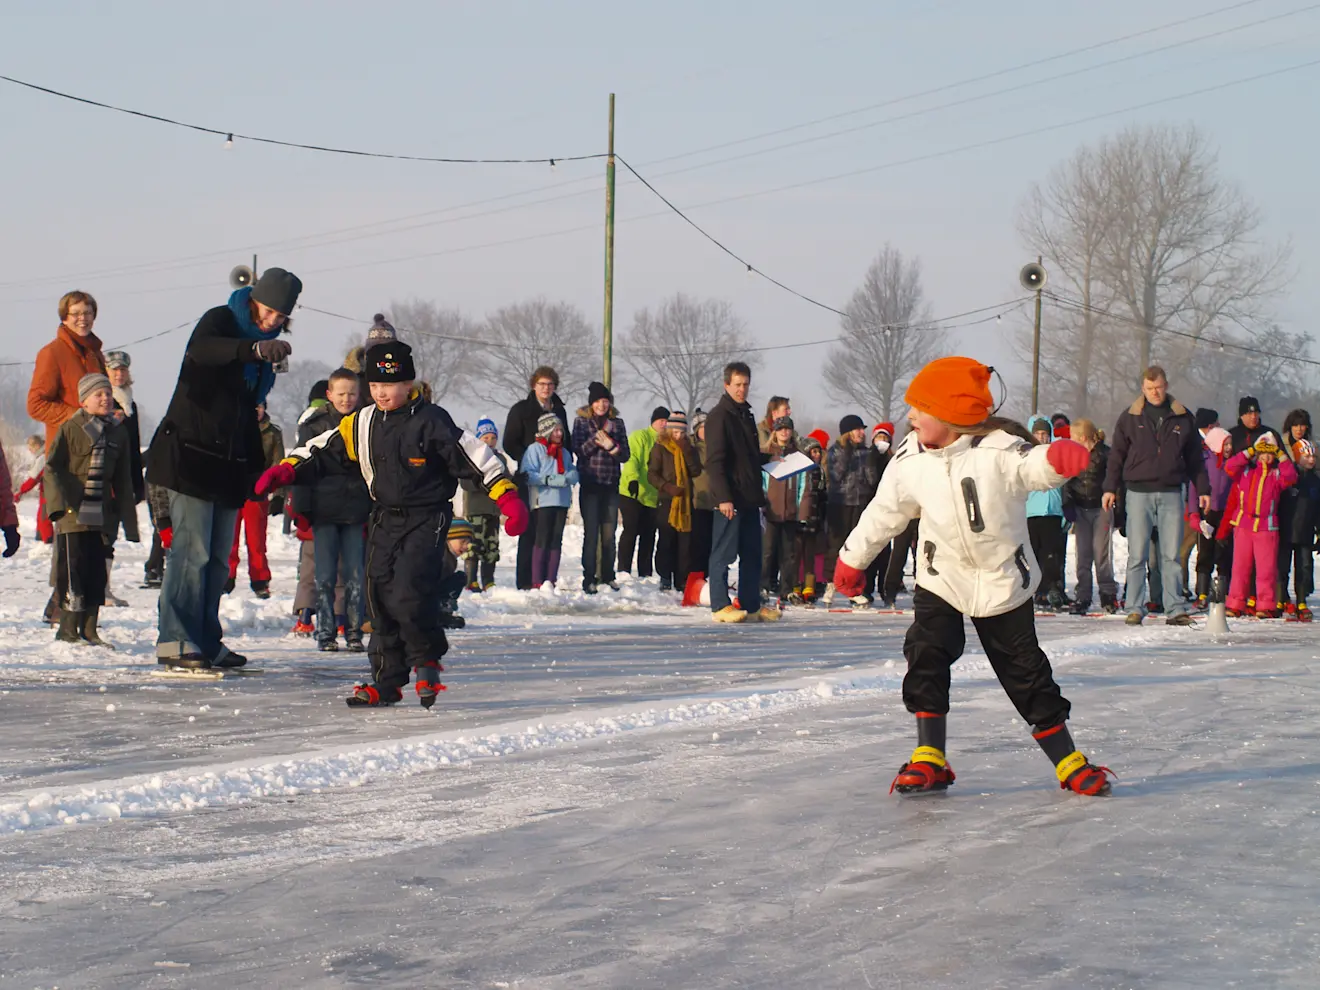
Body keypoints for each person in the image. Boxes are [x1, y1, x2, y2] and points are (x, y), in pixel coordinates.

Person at [831, 356, 1112, 797]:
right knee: (926, 649)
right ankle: (930, 756)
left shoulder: (998, 450)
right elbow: (884, 512)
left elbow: (1032, 465)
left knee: (1024, 670)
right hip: (941, 573)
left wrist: (1058, 458)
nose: (910, 416)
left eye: (920, 408)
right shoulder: (909, 459)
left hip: (1001, 578)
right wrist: (853, 559)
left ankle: (1068, 760)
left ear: (951, 414)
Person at [257, 341, 528, 707]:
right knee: (379, 598)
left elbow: (475, 457)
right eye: (374, 386)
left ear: (408, 383)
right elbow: (324, 447)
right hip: (384, 516)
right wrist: (287, 469)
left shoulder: (431, 420)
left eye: (390, 384)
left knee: (406, 591)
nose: (381, 393)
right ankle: (385, 682)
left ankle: (426, 660)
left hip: (427, 517)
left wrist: (506, 496)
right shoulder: (363, 422)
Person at [145, 267, 301, 669]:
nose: (271, 321)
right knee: (191, 551)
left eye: (280, 317)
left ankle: (206, 640)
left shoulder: (268, 349)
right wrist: (252, 351)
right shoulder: (220, 319)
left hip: (230, 463)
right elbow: (204, 352)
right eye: (267, 311)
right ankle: (176, 641)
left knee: (217, 559)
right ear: (254, 300)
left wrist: (255, 469)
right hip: (191, 454)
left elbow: (248, 411)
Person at [1102, 366, 1210, 626]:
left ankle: (1174, 607)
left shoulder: (1183, 417)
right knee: (1137, 554)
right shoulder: (1130, 417)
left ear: (1166, 385)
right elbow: (1116, 455)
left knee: (1171, 555)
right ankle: (1135, 607)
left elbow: (1196, 458)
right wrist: (1109, 487)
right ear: (1143, 388)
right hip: (1138, 493)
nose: (1155, 392)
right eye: (1150, 388)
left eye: (1159, 387)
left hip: (1172, 492)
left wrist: (1203, 489)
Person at [43, 373, 140, 646]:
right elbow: (52, 468)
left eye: (108, 393)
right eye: (98, 394)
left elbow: (123, 480)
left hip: (102, 514)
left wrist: (128, 523)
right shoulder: (71, 428)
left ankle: (90, 629)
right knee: (74, 572)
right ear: (83, 400)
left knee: (97, 572)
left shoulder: (118, 432)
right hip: (74, 513)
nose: (105, 398)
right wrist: (59, 508)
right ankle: (68, 629)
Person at [293, 370, 371, 651]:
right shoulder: (315, 426)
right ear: (329, 395)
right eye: (341, 394)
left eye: (352, 393)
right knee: (324, 576)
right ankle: (325, 632)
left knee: (355, 575)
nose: (347, 399)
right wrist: (300, 507)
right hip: (323, 509)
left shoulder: (367, 423)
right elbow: (300, 466)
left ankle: (353, 631)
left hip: (356, 509)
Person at [705, 362, 776, 623]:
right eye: (737, 385)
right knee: (722, 554)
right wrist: (723, 497)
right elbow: (715, 461)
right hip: (729, 499)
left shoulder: (745, 415)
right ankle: (720, 605)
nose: (742, 389)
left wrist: (769, 458)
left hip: (749, 497)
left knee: (752, 554)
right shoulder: (719, 416)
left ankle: (751, 604)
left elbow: (747, 457)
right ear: (727, 385)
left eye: (746, 384)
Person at [503, 368, 568, 589]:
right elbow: (509, 443)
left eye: (550, 384)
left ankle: (546, 580)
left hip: (556, 481)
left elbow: (566, 441)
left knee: (551, 534)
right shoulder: (521, 410)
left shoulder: (560, 410)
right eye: (541, 384)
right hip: (529, 477)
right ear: (533, 385)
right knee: (530, 530)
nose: (546, 388)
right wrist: (530, 459)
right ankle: (525, 581)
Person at [1223, 432, 1297, 618]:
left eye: (1269, 453)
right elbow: (1230, 466)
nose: (1266, 457)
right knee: (1240, 568)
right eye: (1262, 453)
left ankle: (1265, 605)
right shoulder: (1246, 472)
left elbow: (1291, 477)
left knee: (1266, 569)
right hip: (1244, 525)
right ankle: (1235, 603)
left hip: (1267, 527)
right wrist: (1250, 450)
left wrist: (1280, 454)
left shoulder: (1276, 475)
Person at [28, 291, 107, 453]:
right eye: (75, 314)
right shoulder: (52, 353)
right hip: (67, 451)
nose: (83, 318)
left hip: (98, 448)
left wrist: (110, 415)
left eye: (87, 313)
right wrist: (79, 417)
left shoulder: (95, 353)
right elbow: (35, 405)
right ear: (64, 317)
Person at [570, 381, 629, 594]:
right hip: (590, 484)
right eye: (598, 401)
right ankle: (589, 577)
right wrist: (597, 440)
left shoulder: (618, 423)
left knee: (609, 534)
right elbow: (578, 450)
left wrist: (612, 446)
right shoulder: (581, 422)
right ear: (591, 404)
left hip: (611, 484)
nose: (602, 405)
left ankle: (608, 575)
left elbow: (625, 454)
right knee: (591, 533)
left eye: (605, 401)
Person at [225, 401, 285, 599]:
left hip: (258, 491)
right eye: (252, 407)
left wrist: (278, 495)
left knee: (256, 540)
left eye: (259, 407)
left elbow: (279, 464)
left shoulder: (272, 433)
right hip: (233, 490)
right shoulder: (233, 427)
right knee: (229, 538)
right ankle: (226, 576)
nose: (256, 411)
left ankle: (260, 579)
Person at [821, 414, 880, 606]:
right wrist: (847, 455)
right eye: (858, 429)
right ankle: (830, 584)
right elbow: (836, 475)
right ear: (847, 433)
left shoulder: (866, 452)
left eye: (863, 429)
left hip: (860, 503)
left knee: (858, 546)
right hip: (840, 503)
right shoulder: (835, 451)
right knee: (836, 544)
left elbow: (872, 480)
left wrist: (872, 461)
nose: (862, 433)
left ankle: (856, 588)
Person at [1062, 418, 1117, 615]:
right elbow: (1066, 480)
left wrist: (1116, 505)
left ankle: (1108, 594)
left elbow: (1114, 478)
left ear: (1082, 437)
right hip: (1080, 508)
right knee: (1083, 553)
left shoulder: (1105, 454)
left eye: (1073, 437)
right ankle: (1083, 595)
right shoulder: (1073, 455)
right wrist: (1067, 504)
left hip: (1101, 508)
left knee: (1101, 552)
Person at [521, 412, 579, 589]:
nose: (559, 434)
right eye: (555, 430)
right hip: (543, 501)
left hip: (561, 501)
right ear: (546, 431)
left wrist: (570, 476)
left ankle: (551, 578)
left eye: (560, 430)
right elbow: (527, 474)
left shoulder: (565, 453)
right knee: (542, 538)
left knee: (556, 539)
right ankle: (537, 579)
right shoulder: (535, 450)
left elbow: (573, 471)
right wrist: (548, 479)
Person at [760, 416, 813, 605]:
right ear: (775, 431)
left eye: (787, 429)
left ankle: (787, 589)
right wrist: (762, 505)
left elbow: (804, 487)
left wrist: (802, 512)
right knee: (767, 551)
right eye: (781, 429)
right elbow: (762, 484)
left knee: (789, 553)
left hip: (790, 512)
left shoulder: (798, 457)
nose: (784, 432)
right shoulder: (766, 454)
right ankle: (763, 586)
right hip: (770, 513)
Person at [647, 410, 702, 592]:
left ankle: (682, 579)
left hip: (685, 501)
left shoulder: (689, 448)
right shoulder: (660, 447)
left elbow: (695, 471)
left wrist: (687, 451)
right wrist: (667, 486)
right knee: (666, 539)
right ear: (669, 431)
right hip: (667, 499)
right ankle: (665, 576)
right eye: (675, 432)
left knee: (685, 542)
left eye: (681, 432)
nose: (678, 436)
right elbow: (652, 474)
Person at [460, 419, 512, 591]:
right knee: (474, 545)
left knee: (492, 546)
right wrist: (485, 484)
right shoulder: (471, 457)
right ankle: (471, 579)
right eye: (485, 438)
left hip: (494, 510)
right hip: (476, 509)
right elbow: (465, 483)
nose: (489, 441)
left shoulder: (500, 459)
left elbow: (505, 479)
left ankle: (488, 580)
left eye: (492, 438)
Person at [1188, 426, 1234, 609]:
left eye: (1231, 444)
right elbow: (1193, 488)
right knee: (1205, 553)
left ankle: (1224, 592)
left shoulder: (1232, 464)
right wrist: (1193, 513)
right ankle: (1202, 592)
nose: (1229, 448)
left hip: (1226, 514)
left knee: (1224, 554)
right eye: (1226, 444)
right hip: (1206, 512)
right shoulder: (1204, 461)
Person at [618, 407, 667, 578]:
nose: (664, 423)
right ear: (653, 421)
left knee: (649, 534)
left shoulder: (666, 442)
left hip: (653, 496)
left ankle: (645, 573)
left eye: (666, 421)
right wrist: (632, 479)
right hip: (632, 492)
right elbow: (633, 459)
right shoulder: (640, 437)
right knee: (631, 529)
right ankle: (623, 570)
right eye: (661, 420)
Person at [1026, 417, 1068, 610]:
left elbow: (1066, 481)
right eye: (1038, 434)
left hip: (1053, 511)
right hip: (1030, 512)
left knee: (1052, 554)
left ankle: (1053, 589)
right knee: (1033, 554)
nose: (1041, 437)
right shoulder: (1025, 454)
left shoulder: (1056, 453)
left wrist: (1067, 510)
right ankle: (1035, 590)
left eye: (1045, 434)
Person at [1279, 438, 1320, 620]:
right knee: (1282, 566)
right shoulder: (1289, 477)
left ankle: (1301, 600)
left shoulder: (1316, 481)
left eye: (1314, 456)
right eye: (1307, 456)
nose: (1311, 460)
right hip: (1286, 529)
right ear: (1297, 456)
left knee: (1304, 566)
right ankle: (1281, 598)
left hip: (1305, 531)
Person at [798, 434, 829, 601]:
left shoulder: (820, 471)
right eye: (813, 452)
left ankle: (809, 585)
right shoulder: (800, 470)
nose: (817, 455)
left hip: (815, 518)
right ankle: (795, 584)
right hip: (798, 517)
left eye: (819, 452)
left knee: (810, 553)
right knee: (795, 553)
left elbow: (822, 494)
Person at [688, 410, 715, 598]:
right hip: (697, 500)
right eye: (702, 428)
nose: (706, 431)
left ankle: (711, 578)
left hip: (716, 501)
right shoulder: (691, 447)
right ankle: (696, 578)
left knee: (714, 544)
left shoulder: (717, 445)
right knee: (698, 542)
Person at [15, 435, 54, 544]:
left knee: (44, 517)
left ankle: (48, 541)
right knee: (40, 515)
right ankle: (40, 538)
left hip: (49, 491)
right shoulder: (42, 455)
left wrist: (20, 492)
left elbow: (33, 478)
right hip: (45, 490)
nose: (29, 450)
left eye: (30, 448)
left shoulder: (43, 457)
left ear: (37, 446)